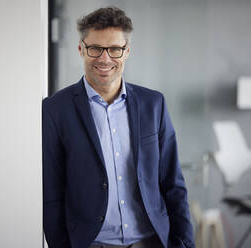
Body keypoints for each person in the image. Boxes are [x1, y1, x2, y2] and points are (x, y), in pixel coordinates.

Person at [43, 6, 194, 248]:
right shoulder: (54, 110)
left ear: (127, 52)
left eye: (114, 49)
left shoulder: (153, 104)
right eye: (95, 48)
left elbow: (173, 184)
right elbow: (51, 194)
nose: (105, 58)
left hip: (151, 242)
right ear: (81, 49)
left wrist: (184, 243)